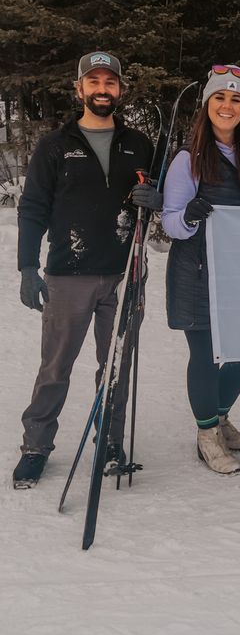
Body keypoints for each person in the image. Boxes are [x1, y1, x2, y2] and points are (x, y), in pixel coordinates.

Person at [13, 51, 157, 489]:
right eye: (93, 82)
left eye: (109, 83)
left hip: (125, 271)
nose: (101, 89)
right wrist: (26, 266)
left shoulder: (139, 144)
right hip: (68, 273)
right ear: (79, 89)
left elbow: (158, 202)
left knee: (115, 365)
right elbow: (33, 208)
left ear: (120, 90)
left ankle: (110, 441)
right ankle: (36, 446)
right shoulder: (54, 145)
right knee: (56, 367)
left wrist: (155, 199)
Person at [162, 65, 240, 475]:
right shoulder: (188, 159)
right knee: (204, 355)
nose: (228, 105)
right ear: (207, 105)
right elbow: (170, 222)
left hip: (238, 269)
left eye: (236, 98)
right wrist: (188, 214)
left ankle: (218, 416)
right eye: (220, 98)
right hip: (197, 269)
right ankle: (207, 434)